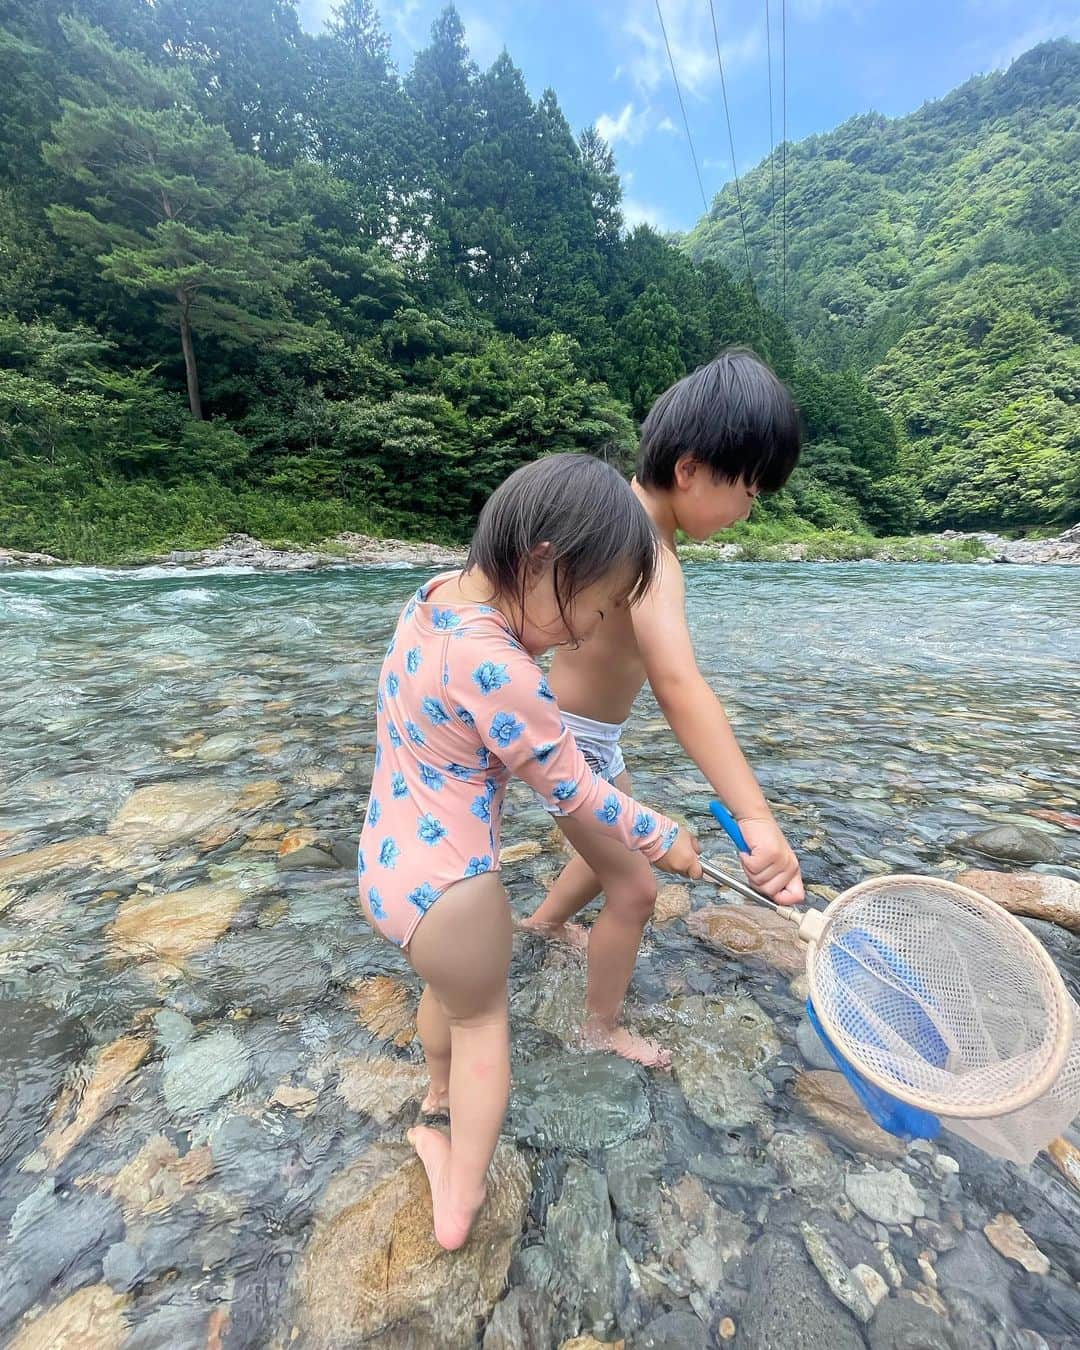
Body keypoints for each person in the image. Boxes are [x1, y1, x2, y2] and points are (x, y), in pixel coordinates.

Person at [357, 453, 702, 1251]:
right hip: (454, 891)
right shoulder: (504, 670)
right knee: (485, 1026)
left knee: (445, 992)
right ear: (542, 560)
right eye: (589, 608)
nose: (584, 632)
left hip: (386, 867)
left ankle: (433, 1097)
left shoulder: (433, 599)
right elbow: (575, 790)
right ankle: (460, 1195)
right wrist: (664, 837)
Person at [523, 349, 806, 1068]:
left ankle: (545, 924)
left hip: (584, 732)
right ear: (689, 471)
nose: (751, 509)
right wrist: (755, 817)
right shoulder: (651, 554)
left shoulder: (617, 508)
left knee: (611, 841)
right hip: (570, 740)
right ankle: (599, 1026)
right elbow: (680, 686)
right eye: (749, 490)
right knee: (636, 886)